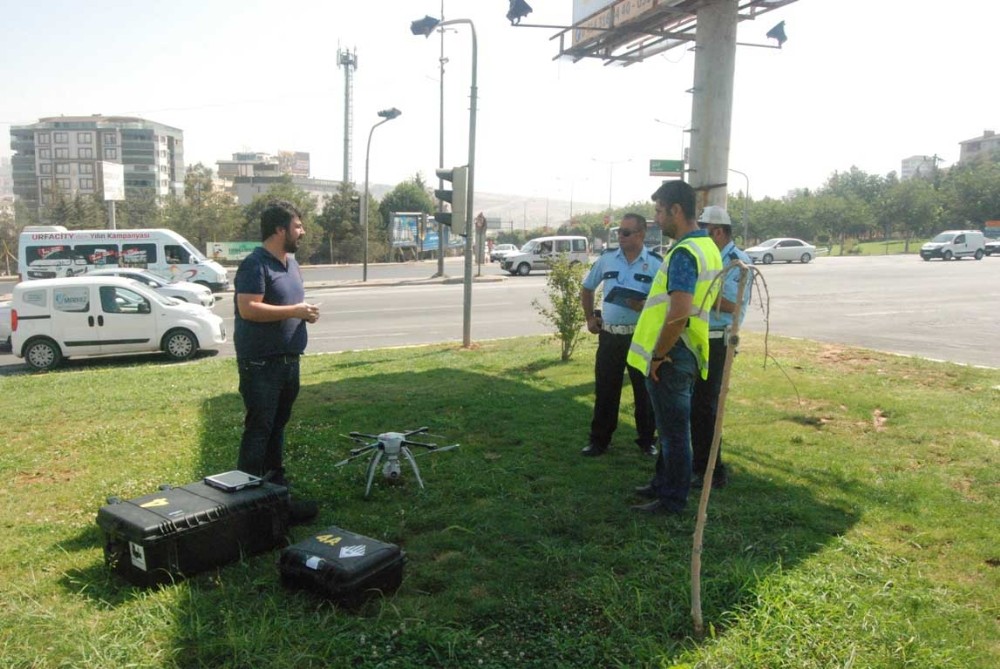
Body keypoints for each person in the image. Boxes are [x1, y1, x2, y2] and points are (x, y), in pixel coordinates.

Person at [627, 181, 723, 515]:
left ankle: (672, 500)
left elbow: (679, 311)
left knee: (674, 434)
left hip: (672, 353)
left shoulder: (684, 252)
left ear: (676, 210)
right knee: (670, 428)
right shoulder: (708, 246)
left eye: (658, 211)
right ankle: (661, 484)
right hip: (688, 350)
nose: (655, 219)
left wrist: (658, 354)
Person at [234, 200, 320, 523]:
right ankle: (245, 505)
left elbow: (287, 305)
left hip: (288, 363)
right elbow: (249, 308)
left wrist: (304, 314)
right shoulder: (255, 265)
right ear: (280, 229)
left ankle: (275, 497)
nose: (303, 231)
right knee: (259, 430)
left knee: (277, 428)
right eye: (298, 225)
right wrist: (295, 311)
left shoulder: (292, 264)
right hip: (261, 366)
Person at [580, 213, 661, 457]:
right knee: (606, 389)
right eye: (619, 232)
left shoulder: (657, 263)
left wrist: (644, 304)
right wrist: (590, 318)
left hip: (640, 336)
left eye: (626, 232)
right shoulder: (607, 260)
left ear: (641, 234)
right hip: (610, 335)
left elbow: (666, 300)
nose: (620, 237)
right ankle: (599, 440)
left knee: (644, 391)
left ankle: (647, 440)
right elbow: (587, 287)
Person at [691, 206, 752, 489]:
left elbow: (732, 303)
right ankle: (700, 464)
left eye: (703, 229)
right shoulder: (710, 258)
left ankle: (713, 471)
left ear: (717, 231)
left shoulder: (737, 262)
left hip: (720, 341)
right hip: (702, 337)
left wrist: (691, 294)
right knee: (697, 405)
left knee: (707, 407)